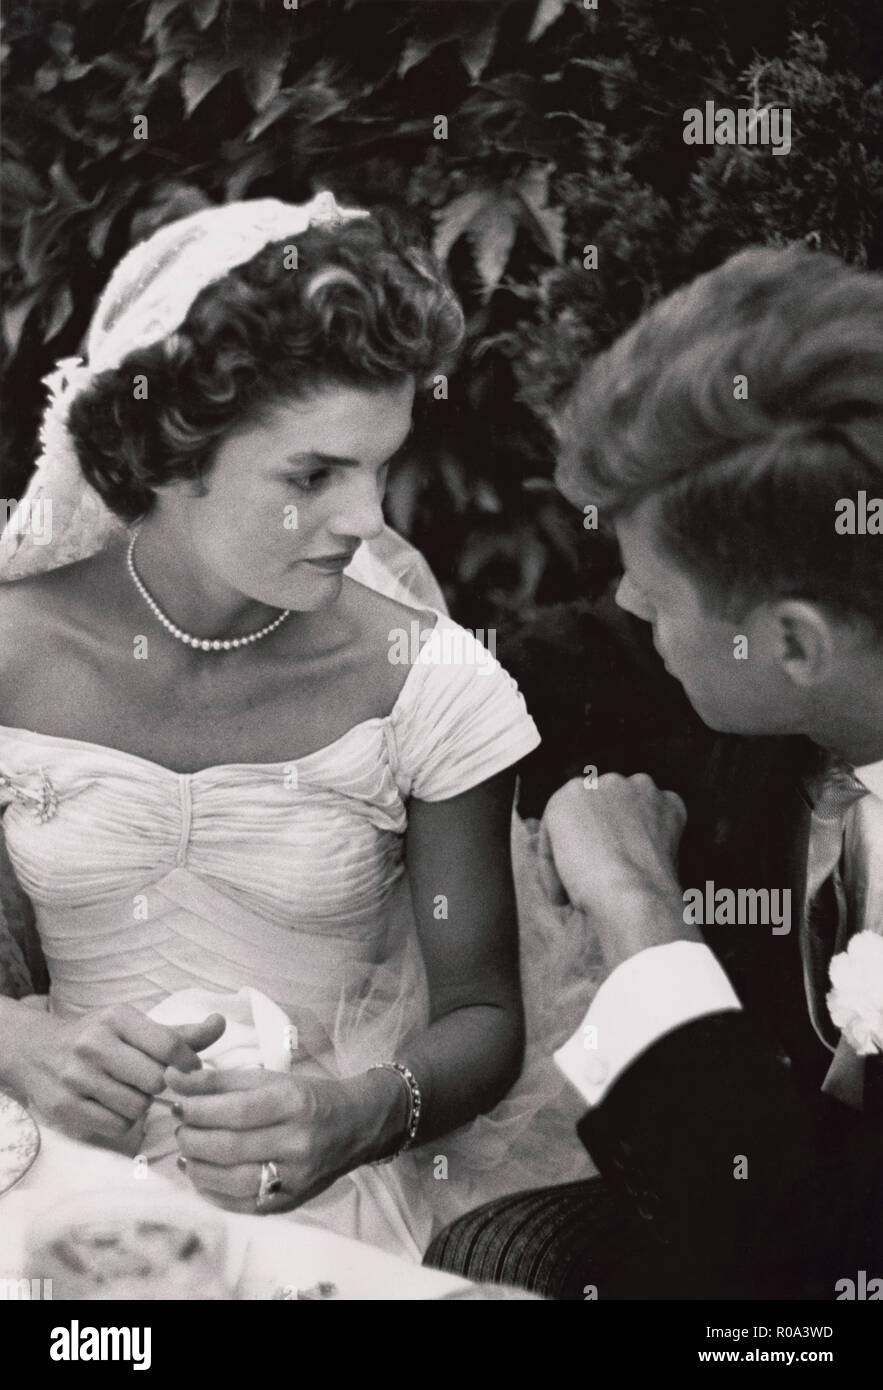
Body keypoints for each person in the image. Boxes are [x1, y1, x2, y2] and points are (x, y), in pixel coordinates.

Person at [0, 193, 595, 1262]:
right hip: (41, 1173)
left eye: (381, 464)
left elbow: (483, 1015)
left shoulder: (430, 681)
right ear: (172, 452)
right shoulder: (13, 646)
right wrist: (12, 1038)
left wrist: (357, 1115)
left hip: (320, 1203)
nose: (367, 519)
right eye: (312, 475)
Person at [425, 244, 883, 1298]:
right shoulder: (801, 648)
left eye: (653, 590)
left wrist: (638, 910)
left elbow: (780, 1274)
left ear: (795, 644)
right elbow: (567, 659)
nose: (631, 611)